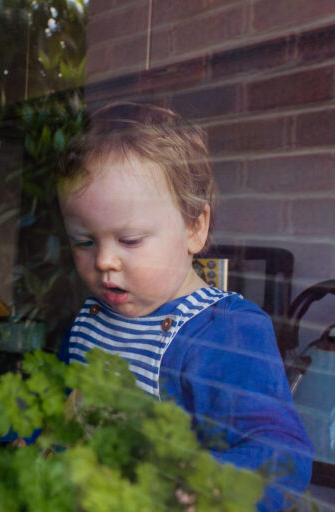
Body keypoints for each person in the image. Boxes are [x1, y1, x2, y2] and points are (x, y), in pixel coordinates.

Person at [55, 102, 313, 512]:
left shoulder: (225, 331)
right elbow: (61, 412)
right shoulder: (91, 321)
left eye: (130, 240)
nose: (104, 260)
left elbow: (281, 454)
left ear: (195, 227)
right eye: (84, 241)